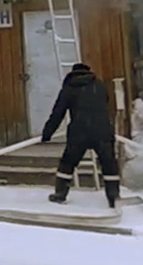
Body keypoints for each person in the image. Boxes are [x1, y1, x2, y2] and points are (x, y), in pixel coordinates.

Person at [41, 62, 120, 209]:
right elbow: (106, 102)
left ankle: (60, 194)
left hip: (79, 133)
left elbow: (58, 113)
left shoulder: (70, 87)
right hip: (103, 131)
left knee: (67, 163)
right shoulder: (100, 86)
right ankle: (113, 196)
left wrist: (47, 133)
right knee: (109, 164)